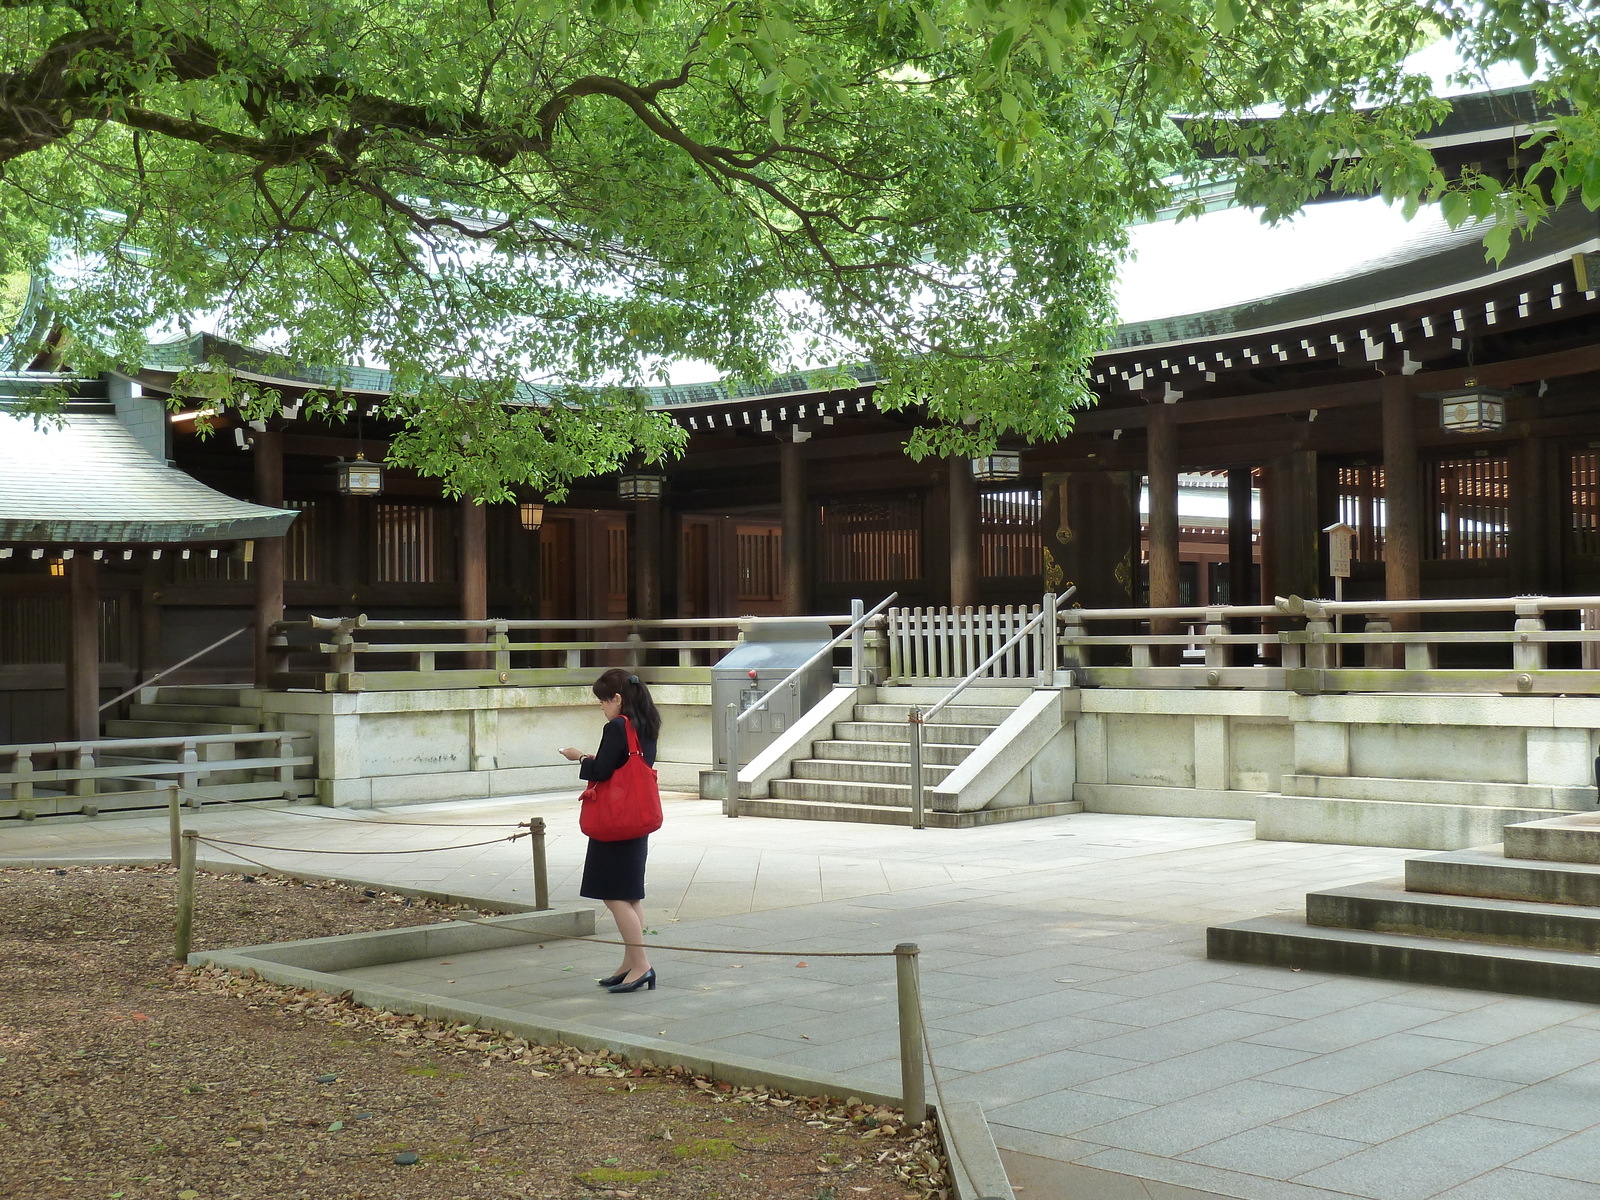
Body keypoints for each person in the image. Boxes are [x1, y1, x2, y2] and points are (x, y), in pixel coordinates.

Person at [559, 668, 660, 994]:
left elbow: (603, 769)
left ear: (617, 699)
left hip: (614, 821)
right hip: (637, 816)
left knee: (613, 894)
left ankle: (641, 963)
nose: (602, 707)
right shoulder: (646, 725)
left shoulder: (617, 726)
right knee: (630, 893)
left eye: (603, 701)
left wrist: (579, 758)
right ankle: (630, 962)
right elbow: (624, 766)